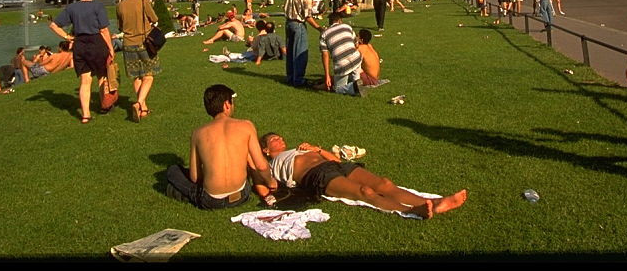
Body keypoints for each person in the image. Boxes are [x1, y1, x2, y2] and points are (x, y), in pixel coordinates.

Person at [259, 133, 467, 219]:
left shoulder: (301, 148)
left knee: (383, 183)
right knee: (364, 192)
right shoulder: (269, 165)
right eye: (274, 140)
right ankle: (414, 210)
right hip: (316, 176)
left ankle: (436, 202)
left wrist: (317, 149)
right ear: (266, 149)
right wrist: (268, 196)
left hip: (334, 165)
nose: (280, 140)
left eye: (280, 137)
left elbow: (337, 160)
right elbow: (265, 186)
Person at [165, 84, 277, 209]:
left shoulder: (198, 133)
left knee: (173, 170)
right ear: (227, 105)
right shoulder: (246, 126)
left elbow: (195, 177)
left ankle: (179, 193)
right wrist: (270, 181)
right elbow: (261, 165)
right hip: (241, 195)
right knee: (246, 154)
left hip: (211, 200)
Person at [48, 0, 114, 124]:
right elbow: (103, 29)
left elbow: (53, 25)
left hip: (80, 44)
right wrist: (110, 48)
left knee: (85, 80)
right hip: (96, 42)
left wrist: (68, 37)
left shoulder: (72, 8)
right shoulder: (98, 6)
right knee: (102, 76)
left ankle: (85, 114)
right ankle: (105, 105)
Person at [116, 0, 160, 123]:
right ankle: (140, 103)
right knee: (148, 75)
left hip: (128, 44)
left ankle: (143, 108)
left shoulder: (120, 5)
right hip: (144, 42)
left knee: (136, 76)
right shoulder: (143, 2)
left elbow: (120, 26)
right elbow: (154, 18)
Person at [283, 0, 325, 88]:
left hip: (288, 22)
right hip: (298, 24)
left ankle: (290, 77)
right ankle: (298, 79)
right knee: (300, 53)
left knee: (290, 52)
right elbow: (307, 16)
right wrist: (319, 28)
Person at [318, 9, 364, 96]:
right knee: (355, 70)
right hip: (357, 58)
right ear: (340, 20)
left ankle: (355, 87)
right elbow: (356, 45)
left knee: (337, 88)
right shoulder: (347, 27)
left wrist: (327, 75)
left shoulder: (324, 34)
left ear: (330, 22)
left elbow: (325, 55)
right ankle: (356, 82)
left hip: (341, 64)